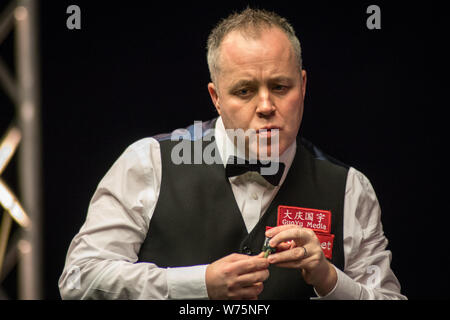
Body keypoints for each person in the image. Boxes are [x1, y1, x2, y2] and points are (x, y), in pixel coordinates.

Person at [59, 8, 406, 300]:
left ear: (303, 86)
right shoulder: (148, 162)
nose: (266, 106)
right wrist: (197, 285)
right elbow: (78, 279)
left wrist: (329, 279)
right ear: (216, 97)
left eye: (280, 87)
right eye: (245, 90)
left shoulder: (349, 188)